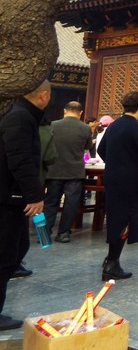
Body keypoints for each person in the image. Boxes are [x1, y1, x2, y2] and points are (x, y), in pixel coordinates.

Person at [97, 91, 138, 281]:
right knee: (125, 218)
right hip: (128, 179)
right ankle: (112, 263)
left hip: (111, 176)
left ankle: (111, 259)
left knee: (115, 216)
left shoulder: (113, 126)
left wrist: (115, 162)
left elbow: (102, 150)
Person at [0, 80, 50, 331]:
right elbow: (20, 158)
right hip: (9, 197)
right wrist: (34, 195)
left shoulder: (22, 115)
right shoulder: (20, 117)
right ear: (43, 96)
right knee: (5, 255)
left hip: (13, 196)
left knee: (18, 247)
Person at [44, 101, 93, 243]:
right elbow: (87, 146)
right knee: (71, 203)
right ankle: (64, 233)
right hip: (74, 172)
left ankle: (45, 233)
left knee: (51, 202)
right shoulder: (85, 128)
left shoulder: (53, 125)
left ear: (65, 111)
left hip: (54, 170)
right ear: (81, 113)